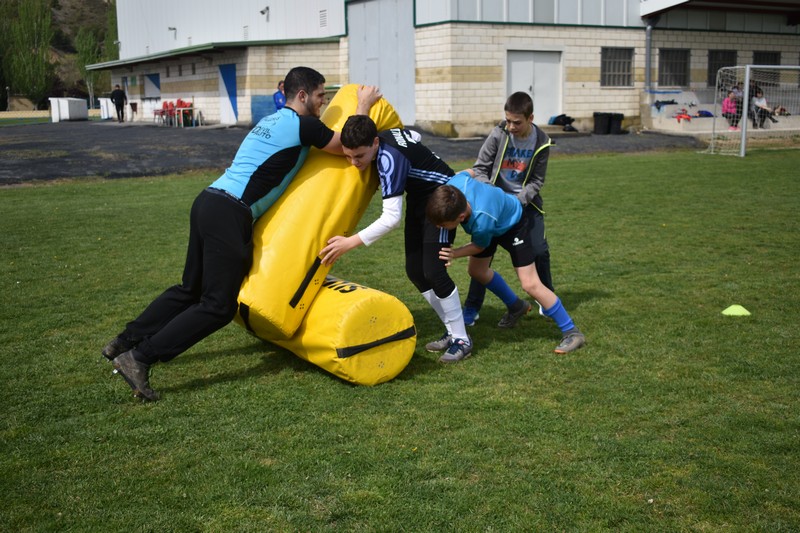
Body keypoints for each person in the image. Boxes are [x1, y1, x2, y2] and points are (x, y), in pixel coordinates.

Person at [101, 67, 381, 401]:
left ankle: (125, 339)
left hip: (208, 200)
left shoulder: (271, 120)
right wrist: (362, 106)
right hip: (230, 211)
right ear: (303, 96)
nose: (325, 102)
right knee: (218, 306)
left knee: (190, 289)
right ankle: (139, 357)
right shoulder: (304, 125)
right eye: (321, 95)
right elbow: (350, 144)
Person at [319, 115, 472, 363]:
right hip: (420, 199)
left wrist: (350, 242)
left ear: (375, 143)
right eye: (348, 156)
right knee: (414, 270)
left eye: (359, 156)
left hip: (442, 200)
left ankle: (462, 339)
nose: (354, 162)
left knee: (434, 271)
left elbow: (391, 218)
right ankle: (452, 331)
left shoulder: (389, 158)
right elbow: (414, 136)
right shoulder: (386, 135)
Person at [426, 170, 586, 354]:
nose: (439, 228)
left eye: (443, 225)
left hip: (514, 224)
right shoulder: (456, 183)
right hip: (494, 220)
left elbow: (479, 246)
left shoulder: (482, 220)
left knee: (530, 283)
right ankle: (516, 306)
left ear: (461, 217)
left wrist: (454, 253)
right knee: (477, 271)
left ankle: (572, 332)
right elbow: (470, 171)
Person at [462, 91, 553, 329]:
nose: (511, 126)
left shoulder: (542, 142)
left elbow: (536, 181)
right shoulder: (498, 133)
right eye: (508, 120)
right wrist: (492, 196)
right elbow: (479, 169)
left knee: (540, 250)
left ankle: (547, 298)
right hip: (492, 206)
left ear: (530, 118)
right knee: (482, 253)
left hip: (524, 205)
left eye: (517, 122)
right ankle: (472, 308)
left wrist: (517, 201)